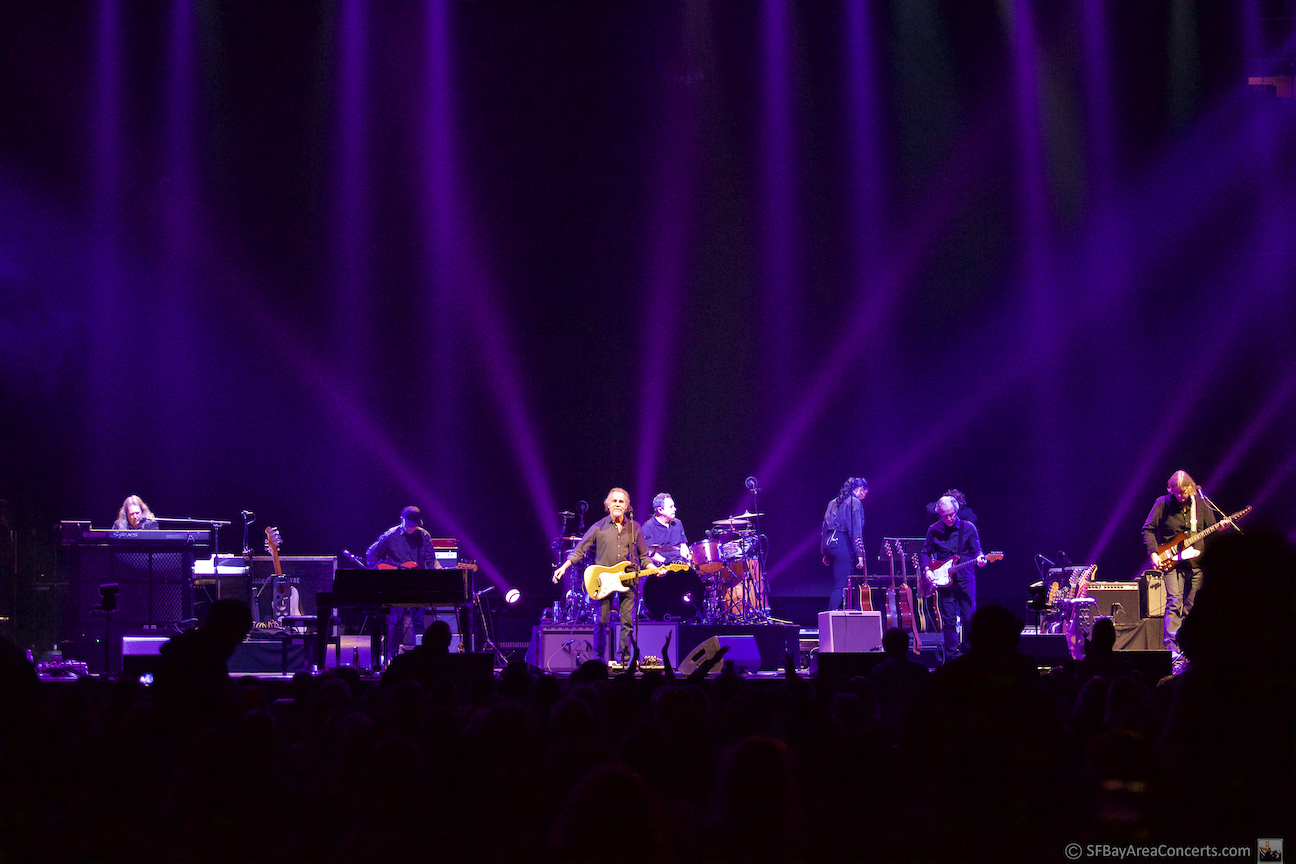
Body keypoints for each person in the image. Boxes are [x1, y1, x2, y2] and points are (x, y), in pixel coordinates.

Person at [552, 487, 648, 666]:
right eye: (614, 501)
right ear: (607, 505)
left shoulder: (635, 527)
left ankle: (624, 661)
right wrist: (564, 567)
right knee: (602, 621)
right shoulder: (598, 526)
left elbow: (643, 555)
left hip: (628, 581)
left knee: (627, 623)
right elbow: (580, 549)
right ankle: (598, 660)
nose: (618, 504)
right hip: (604, 582)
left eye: (622, 501)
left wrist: (652, 567)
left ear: (627, 506)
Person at [1141, 470, 1216, 673]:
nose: (1181, 496)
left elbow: (1211, 527)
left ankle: (1189, 650)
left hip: (1196, 563)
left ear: (1191, 488)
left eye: (1184, 492)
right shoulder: (1162, 503)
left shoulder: (1200, 502)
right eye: (1177, 492)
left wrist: (1223, 526)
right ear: (1171, 489)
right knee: (1174, 602)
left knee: (1192, 606)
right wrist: (1154, 553)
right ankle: (1173, 652)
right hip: (1171, 562)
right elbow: (1148, 529)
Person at [918, 495, 987, 659]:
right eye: (944, 515)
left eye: (951, 514)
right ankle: (951, 656)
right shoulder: (933, 529)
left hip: (965, 579)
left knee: (969, 618)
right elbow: (925, 552)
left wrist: (981, 559)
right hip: (943, 581)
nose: (949, 518)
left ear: (956, 511)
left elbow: (977, 551)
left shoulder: (968, 528)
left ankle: (971, 654)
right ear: (939, 514)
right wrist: (927, 569)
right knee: (948, 620)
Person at [366, 506, 442, 654]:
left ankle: (421, 655)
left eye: (415, 525)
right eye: (409, 525)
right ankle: (392, 657)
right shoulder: (390, 535)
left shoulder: (424, 535)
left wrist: (438, 571)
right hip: (396, 583)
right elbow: (371, 553)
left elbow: (431, 559)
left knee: (419, 622)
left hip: (418, 583)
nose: (412, 528)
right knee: (395, 622)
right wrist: (377, 574)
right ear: (402, 520)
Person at [820, 477, 868, 611]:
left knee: (843, 583)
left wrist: (824, 552)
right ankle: (829, 621)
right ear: (862, 490)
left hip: (829, 543)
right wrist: (860, 553)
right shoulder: (855, 502)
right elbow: (855, 529)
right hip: (841, 542)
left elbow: (824, 528)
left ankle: (851, 614)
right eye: (865, 493)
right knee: (840, 586)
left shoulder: (832, 503)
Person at [640, 492, 692, 565]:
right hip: (662, 566)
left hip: (680, 563)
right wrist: (667, 562)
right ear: (660, 510)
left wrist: (687, 558)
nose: (675, 509)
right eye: (671, 507)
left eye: (674, 506)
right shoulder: (648, 527)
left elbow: (682, 544)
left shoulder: (678, 523)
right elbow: (650, 552)